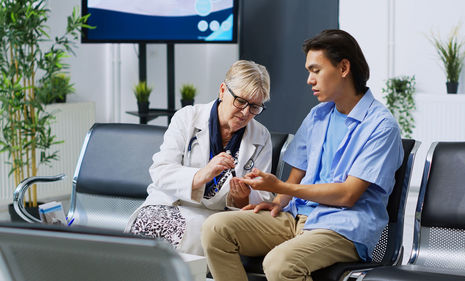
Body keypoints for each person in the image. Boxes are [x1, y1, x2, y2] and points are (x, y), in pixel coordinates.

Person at [201, 29, 404, 281]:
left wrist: (281, 186)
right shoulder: (318, 116)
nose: (309, 79)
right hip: (296, 218)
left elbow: (348, 195)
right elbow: (297, 174)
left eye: (316, 70)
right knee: (215, 228)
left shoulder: (381, 127)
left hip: (342, 229)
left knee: (280, 264)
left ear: (343, 68)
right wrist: (277, 201)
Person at [126, 60, 274, 256]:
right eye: (240, 101)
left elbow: (262, 198)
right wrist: (201, 174)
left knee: (210, 233)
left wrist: (242, 198)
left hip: (219, 216)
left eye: (255, 107)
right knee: (153, 227)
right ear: (223, 90)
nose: (246, 112)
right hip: (171, 204)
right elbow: (160, 171)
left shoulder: (261, 137)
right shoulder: (187, 118)